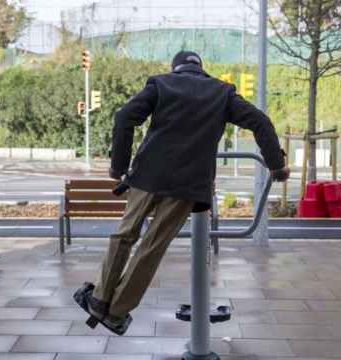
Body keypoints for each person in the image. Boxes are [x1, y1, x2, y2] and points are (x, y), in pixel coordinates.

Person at [74, 51, 290, 335]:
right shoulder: (222, 92)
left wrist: (118, 166)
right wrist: (276, 166)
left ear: (174, 68)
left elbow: (124, 116)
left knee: (124, 234)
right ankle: (116, 313)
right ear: (202, 68)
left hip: (147, 175)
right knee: (152, 247)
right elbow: (260, 122)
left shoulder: (161, 84)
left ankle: (100, 299)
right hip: (187, 185)